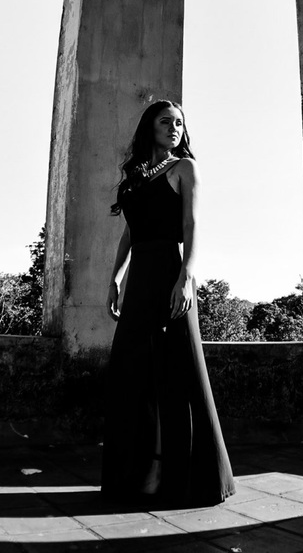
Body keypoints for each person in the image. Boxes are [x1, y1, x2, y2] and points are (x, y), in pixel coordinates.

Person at [100, 100, 236, 507]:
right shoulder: (137, 177)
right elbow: (130, 233)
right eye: (166, 121)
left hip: (169, 274)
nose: (174, 128)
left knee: (178, 369)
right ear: (150, 127)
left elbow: (191, 226)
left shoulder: (184, 169)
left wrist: (186, 279)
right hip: (139, 278)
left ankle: (193, 478)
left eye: (179, 123)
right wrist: (115, 278)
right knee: (131, 373)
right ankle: (139, 475)